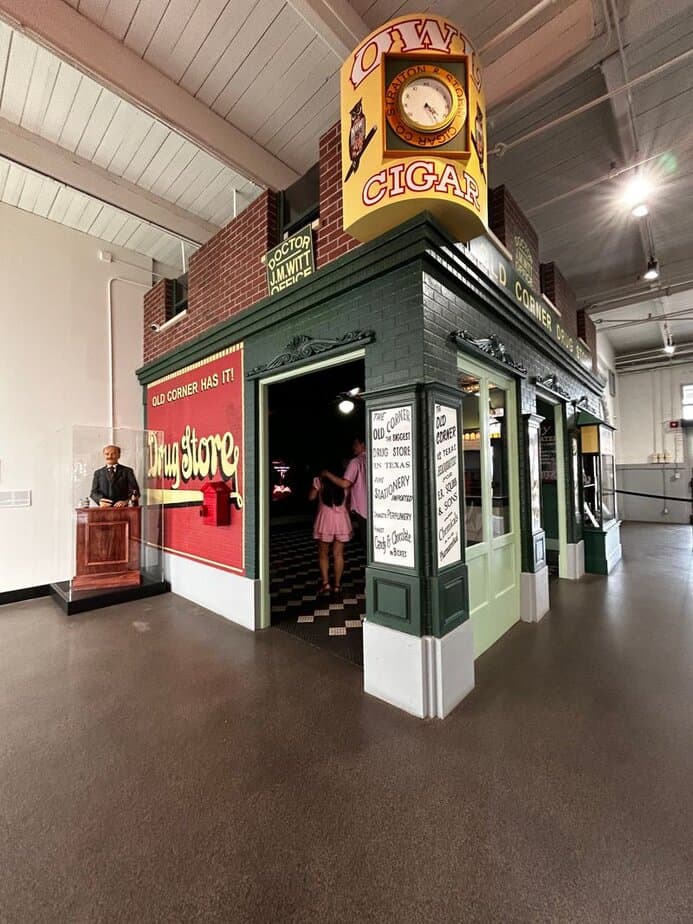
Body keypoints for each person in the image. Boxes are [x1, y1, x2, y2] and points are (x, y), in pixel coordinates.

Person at [309, 465, 352, 596]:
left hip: (325, 521)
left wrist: (318, 483)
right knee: (338, 555)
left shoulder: (319, 481)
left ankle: (326, 584)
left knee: (323, 554)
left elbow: (311, 497)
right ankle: (337, 586)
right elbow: (349, 502)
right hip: (341, 521)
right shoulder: (344, 484)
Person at [321, 436, 367, 548]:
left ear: (363, 444)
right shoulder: (374, 459)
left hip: (363, 508)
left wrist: (327, 474)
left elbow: (345, 483)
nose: (353, 447)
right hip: (376, 508)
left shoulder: (356, 462)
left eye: (355, 444)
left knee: (367, 542)